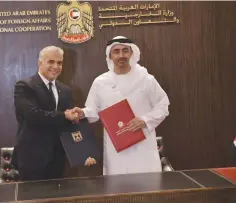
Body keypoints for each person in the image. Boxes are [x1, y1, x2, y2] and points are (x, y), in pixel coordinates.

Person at [72, 36, 170, 175]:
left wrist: (145, 120)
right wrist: (82, 113)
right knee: (117, 189)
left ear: (131, 53)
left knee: (148, 187)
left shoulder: (146, 79)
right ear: (110, 56)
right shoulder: (100, 82)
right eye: (116, 52)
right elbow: (93, 112)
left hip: (143, 145)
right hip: (115, 148)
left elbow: (163, 105)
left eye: (125, 51)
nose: (121, 55)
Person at [12, 46, 95, 181]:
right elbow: (33, 116)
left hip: (58, 158)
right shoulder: (24, 86)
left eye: (59, 63)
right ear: (40, 63)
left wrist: (83, 153)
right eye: (51, 62)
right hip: (32, 158)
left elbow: (69, 126)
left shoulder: (65, 90)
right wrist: (65, 115)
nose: (56, 66)